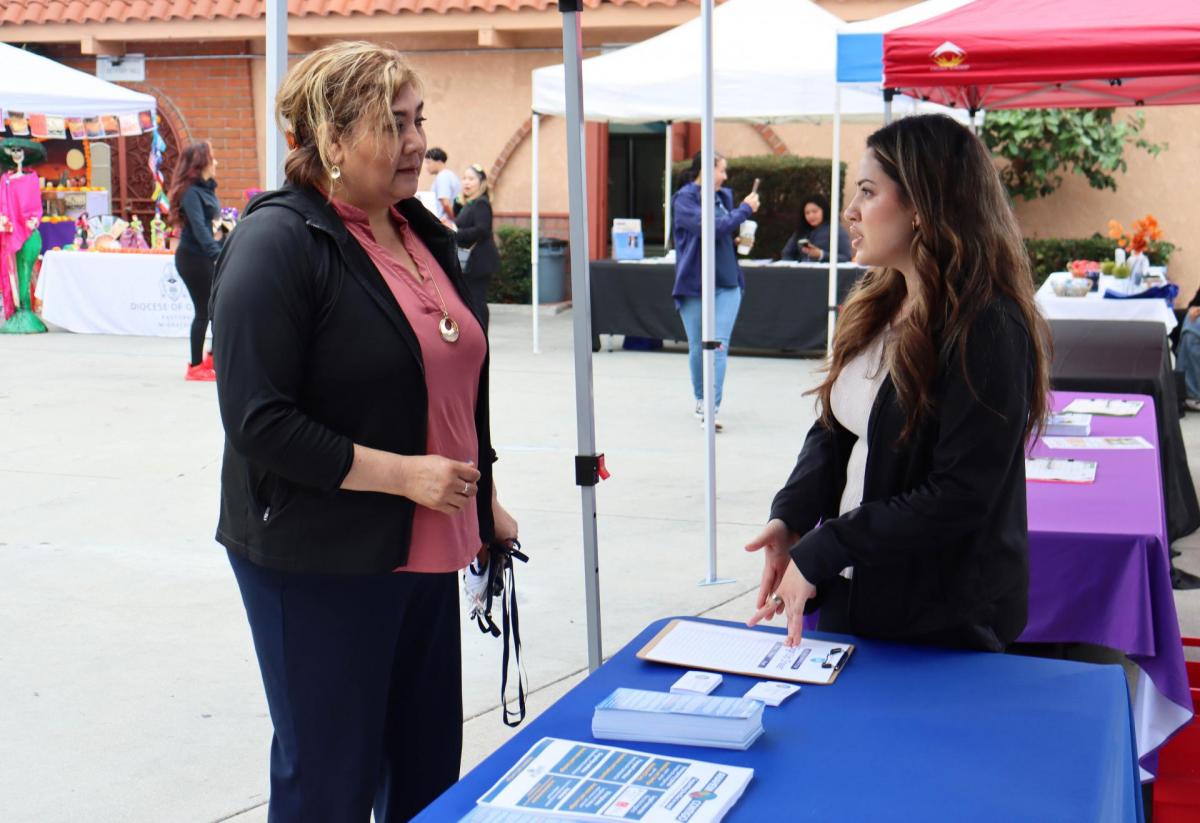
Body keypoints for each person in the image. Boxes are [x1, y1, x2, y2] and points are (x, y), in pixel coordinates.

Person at [209, 41, 519, 822]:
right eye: (394, 123)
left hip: (423, 545)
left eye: (419, 120)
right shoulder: (278, 242)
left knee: (425, 773)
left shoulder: (418, 230)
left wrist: (481, 507)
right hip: (319, 555)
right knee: (330, 782)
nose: (417, 141)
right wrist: (408, 476)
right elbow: (258, 419)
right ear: (333, 139)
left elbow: (453, 386)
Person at [745, 114, 1050, 652]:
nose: (850, 211)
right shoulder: (878, 304)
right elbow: (837, 427)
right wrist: (790, 515)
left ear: (922, 207)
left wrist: (828, 544)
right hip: (857, 593)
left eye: (867, 191)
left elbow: (959, 495)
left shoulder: (987, 327)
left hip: (939, 620)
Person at [672, 151, 760, 432]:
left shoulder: (724, 197)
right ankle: (701, 399)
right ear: (706, 170)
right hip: (693, 284)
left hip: (727, 283)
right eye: (722, 170)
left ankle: (712, 408)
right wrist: (744, 210)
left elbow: (722, 229)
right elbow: (708, 226)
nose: (725, 176)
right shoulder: (684, 199)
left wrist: (736, 238)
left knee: (717, 346)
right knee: (699, 346)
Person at [167, 141, 222, 381]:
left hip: (203, 256)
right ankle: (196, 366)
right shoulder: (191, 193)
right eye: (213, 157)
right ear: (201, 163)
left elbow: (212, 226)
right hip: (193, 258)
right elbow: (200, 230)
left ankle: (212, 358)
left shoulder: (204, 190)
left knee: (216, 310)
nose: (216, 162)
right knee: (205, 310)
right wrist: (219, 255)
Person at [453, 163, 500, 329]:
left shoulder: (481, 203)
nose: (466, 182)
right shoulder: (470, 204)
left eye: (471, 179)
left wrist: (454, 232)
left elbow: (482, 230)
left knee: (477, 301)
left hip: (479, 262)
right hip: (472, 261)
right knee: (472, 301)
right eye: (464, 178)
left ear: (481, 182)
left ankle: (481, 337)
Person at [780, 194, 852, 263]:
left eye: (815, 211)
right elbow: (786, 253)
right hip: (802, 272)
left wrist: (821, 254)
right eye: (807, 213)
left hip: (825, 273)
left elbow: (846, 257)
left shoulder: (836, 229)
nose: (811, 216)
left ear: (824, 211)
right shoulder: (801, 231)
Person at [424, 146, 460, 227]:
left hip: (444, 223)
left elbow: (446, 203)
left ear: (439, 162)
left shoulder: (443, 177)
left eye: (429, 162)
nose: (427, 166)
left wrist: (455, 221)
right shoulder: (448, 175)